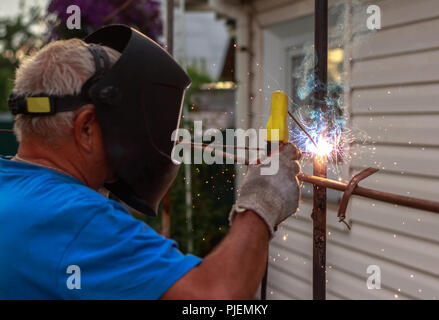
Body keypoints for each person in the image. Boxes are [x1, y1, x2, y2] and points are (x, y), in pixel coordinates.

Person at [0, 25, 301, 299]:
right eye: (127, 121)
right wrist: (263, 200)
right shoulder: (75, 217)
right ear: (86, 128)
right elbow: (216, 298)